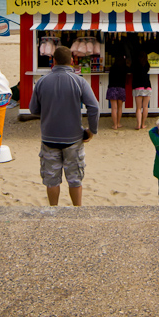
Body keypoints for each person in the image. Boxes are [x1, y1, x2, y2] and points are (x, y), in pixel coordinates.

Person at [29, 46, 99, 207]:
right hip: (73, 138)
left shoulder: (42, 81)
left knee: (51, 179)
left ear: (53, 61)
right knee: (75, 179)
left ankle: (54, 211)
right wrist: (92, 130)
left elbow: (33, 109)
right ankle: (77, 211)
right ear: (72, 61)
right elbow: (94, 107)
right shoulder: (79, 81)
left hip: (49, 137)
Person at [107, 53, 128, 130]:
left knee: (113, 108)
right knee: (120, 108)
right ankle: (118, 123)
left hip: (112, 88)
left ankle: (114, 125)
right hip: (121, 88)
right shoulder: (124, 68)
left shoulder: (112, 68)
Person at [132, 50, 152, 130]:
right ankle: (143, 124)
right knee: (145, 107)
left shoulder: (135, 65)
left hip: (138, 87)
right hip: (147, 86)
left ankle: (138, 124)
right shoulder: (147, 65)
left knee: (138, 108)